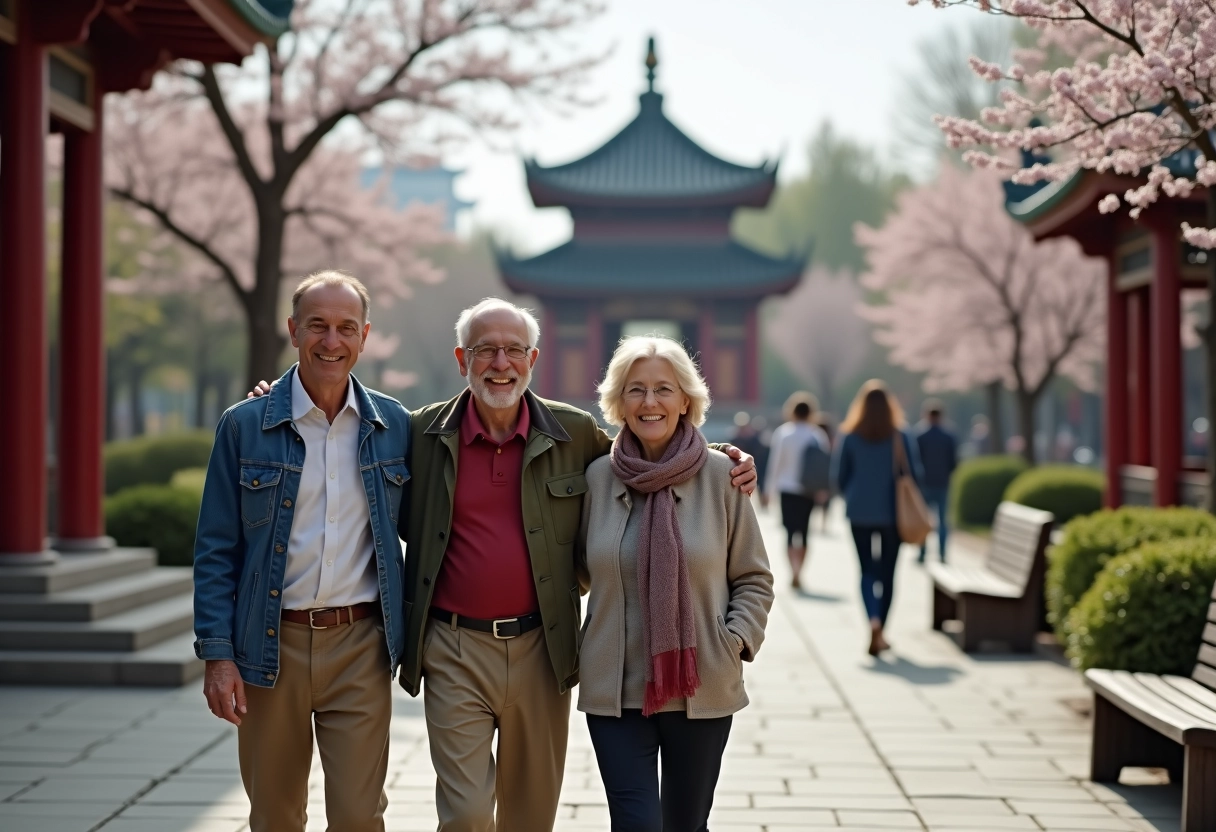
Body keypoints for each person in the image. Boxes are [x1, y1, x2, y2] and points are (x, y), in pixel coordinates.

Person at [248, 298, 756, 832]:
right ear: (461, 359)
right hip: (453, 647)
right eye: (485, 350)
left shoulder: (572, 433)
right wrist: (277, 402)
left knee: (531, 817)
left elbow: (648, 450)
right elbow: (338, 429)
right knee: (466, 815)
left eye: (514, 350)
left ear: (532, 359)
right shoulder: (418, 433)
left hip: (543, 648)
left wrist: (724, 455)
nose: (500, 363)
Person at [194, 271, 410, 832]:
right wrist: (218, 656)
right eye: (317, 325)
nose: (331, 341)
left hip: (360, 646)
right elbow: (215, 550)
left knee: (359, 816)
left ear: (365, 336)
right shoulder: (244, 426)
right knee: (275, 816)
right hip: (269, 646)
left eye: (346, 328)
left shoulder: (395, 426)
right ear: (293, 331)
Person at [577, 336, 773, 832]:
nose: (650, 401)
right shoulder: (596, 479)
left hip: (700, 681)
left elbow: (754, 576)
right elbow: (570, 571)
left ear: (686, 400)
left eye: (664, 389)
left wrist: (733, 640)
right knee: (636, 823)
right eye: (636, 389)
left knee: (686, 824)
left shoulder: (724, 476)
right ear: (619, 401)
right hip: (615, 689)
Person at [832, 380, 922, 657]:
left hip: (859, 511)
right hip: (893, 513)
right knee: (888, 573)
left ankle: (871, 620)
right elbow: (915, 474)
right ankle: (881, 629)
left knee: (866, 571)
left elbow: (838, 478)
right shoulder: (900, 435)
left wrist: (855, 493)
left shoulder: (850, 435)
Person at [763, 392, 830, 589]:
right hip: (809, 490)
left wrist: (768, 490)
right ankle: (800, 570)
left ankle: (793, 570)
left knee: (790, 532)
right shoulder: (817, 434)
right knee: (805, 531)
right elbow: (824, 465)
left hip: (787, 489)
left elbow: (775, 464)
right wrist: (824, 489)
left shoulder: (784, 433)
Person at [915, 399, 958, 564]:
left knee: (923, 520)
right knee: (943, 520)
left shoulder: (920, 435)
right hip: (942, 482)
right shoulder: (948, 436)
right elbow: (953, 461)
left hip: (924, 483)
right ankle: (942, 552)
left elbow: (915, 460)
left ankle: (922, 552)